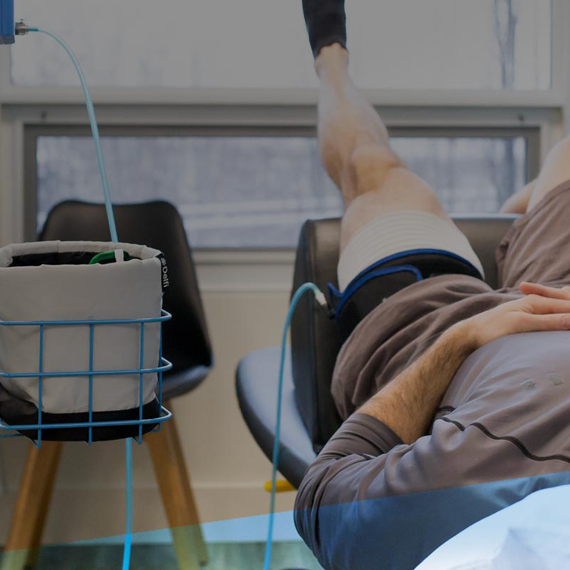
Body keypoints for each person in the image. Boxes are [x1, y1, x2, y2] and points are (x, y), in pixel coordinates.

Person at [294, 1, 570, 568]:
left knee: (373, 167)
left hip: (438, 321)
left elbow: (321, 499)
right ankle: (520, 221)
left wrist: (459, 340)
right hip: (552, 301)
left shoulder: (479, 474)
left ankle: (331, 57)